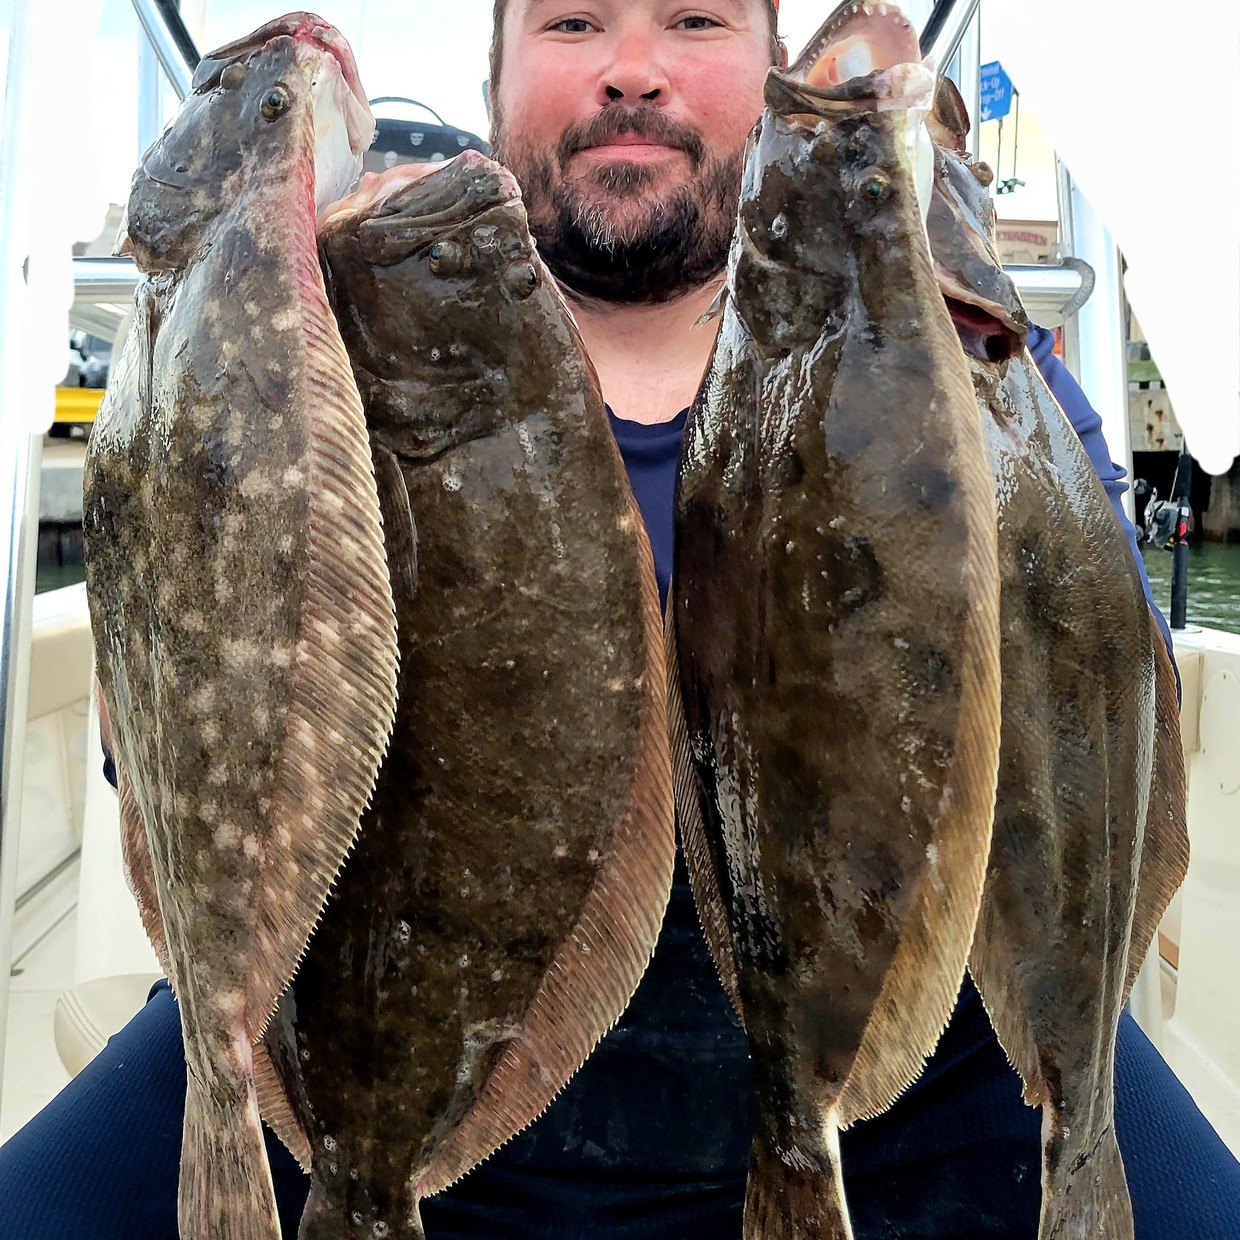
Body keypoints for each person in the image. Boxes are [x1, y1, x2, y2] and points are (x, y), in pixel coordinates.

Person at [2, 2, 1237, 1236]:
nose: (631, 70)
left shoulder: (966, 358)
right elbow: (181, 737)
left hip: (905, 1073)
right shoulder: (305, 337)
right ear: (494, 85)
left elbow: (1093, 735)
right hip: (363, 1026)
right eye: (573, 21)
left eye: (694, 18)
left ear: (765, 77)